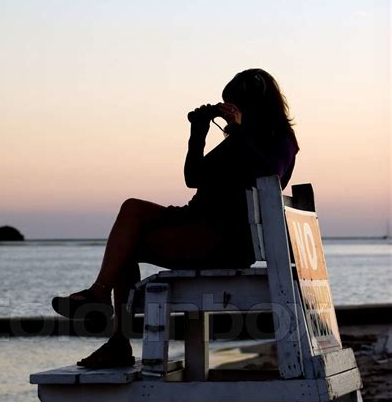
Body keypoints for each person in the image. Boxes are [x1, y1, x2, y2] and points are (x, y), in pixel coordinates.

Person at [52, 68, 299, 368]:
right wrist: (198, 133)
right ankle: (103, 303)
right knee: (132, 211)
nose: (231, 113)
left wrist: (237, 130)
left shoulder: (279, 139)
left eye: (236, 106)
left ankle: (112, 329)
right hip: (196, 222)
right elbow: (193, 177)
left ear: (255, 104)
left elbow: (268, 174)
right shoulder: (240, 140)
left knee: (126, 246)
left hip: (224, 237)